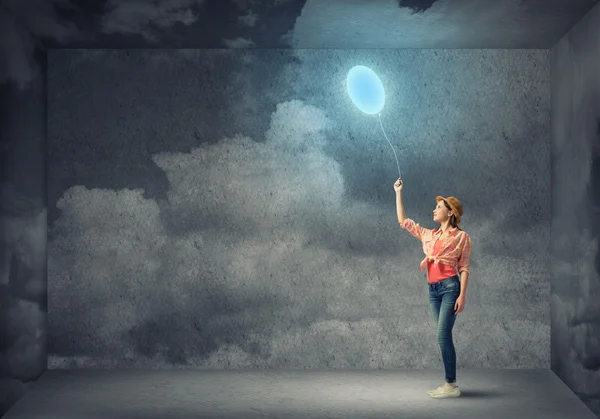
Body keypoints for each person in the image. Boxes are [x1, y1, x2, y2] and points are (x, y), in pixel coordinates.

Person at [393, 177, 472, 399]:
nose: (434, 210)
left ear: (450, 213)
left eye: (438, 207)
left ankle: (451, 385)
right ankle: (450, 384)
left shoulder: (462, 238)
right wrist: (398, 192)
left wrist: (462, 295)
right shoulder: (429, 234)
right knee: (442, 335)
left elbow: (464, 268)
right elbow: (404, 222)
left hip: (449, 289)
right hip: (433, 290)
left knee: (442, 334)